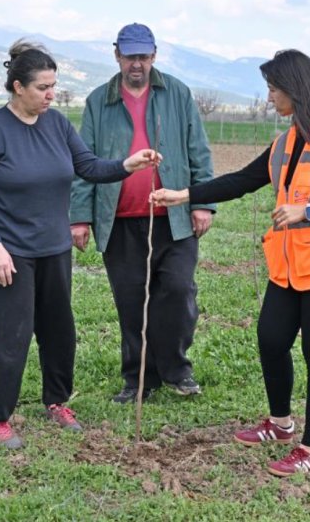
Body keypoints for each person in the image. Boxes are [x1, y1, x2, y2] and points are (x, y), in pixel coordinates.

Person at [151, 49, 310, 476]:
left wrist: (307, 211)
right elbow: (243, 181)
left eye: (273, 89)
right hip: (291, 265)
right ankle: (280, 424)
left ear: (295, 89)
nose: (269, 97)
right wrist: (183, 195)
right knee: (271, 339)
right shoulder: (287, 140)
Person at [0, 40, 161, 449]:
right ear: (18, 87)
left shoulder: (56, 125)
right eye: (43, 88)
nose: (52, 94)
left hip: (54, 247)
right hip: (10, 253)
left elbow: (86, 166)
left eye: (54, 86)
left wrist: (128, 164)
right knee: (12, 336)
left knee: (60, 332)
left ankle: (57, 401)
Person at [69, 23, 215, 404]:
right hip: (120, 220)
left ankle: (177, 368)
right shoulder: (98, 101)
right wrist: (80, 216)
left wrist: (201, 201)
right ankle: (138, 379)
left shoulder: (177, 93)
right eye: (130, 55)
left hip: (173, 216)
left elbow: (198, 149)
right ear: (117, 54)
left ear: (154, 55)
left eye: (143, 56)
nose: (137, 63)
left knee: (178, 292)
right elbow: (85, 162)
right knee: (132, 301)